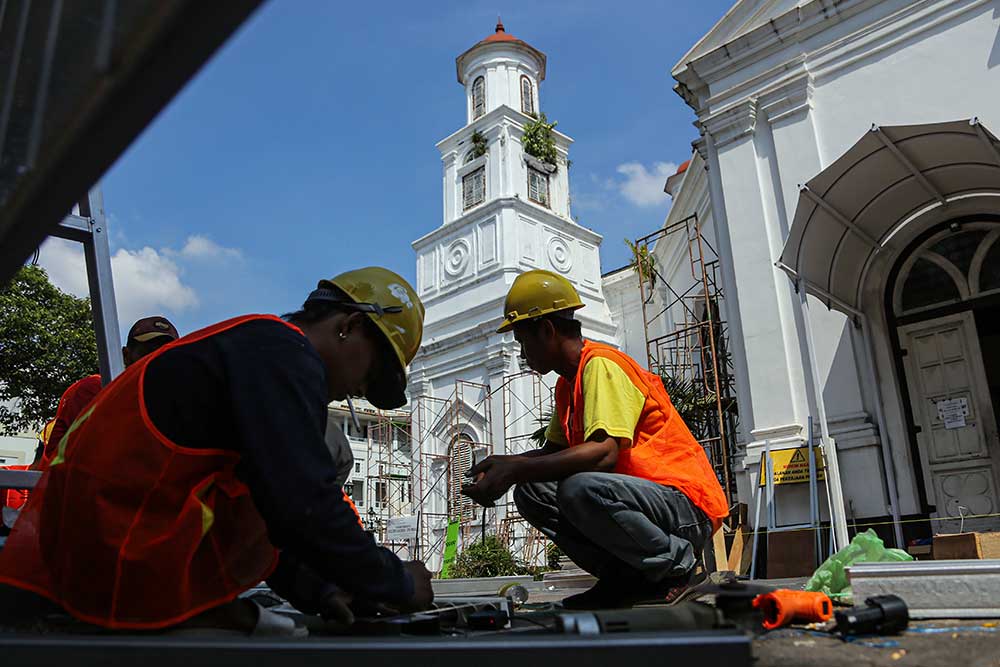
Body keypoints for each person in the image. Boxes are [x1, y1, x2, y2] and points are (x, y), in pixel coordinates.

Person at [0, 267, 433, 632]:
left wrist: (321, 589)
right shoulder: (282, 354)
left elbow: (262, 510)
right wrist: (395, 581)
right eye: (371, 374)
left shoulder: (256, 348)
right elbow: (303, 505)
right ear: (350, 325)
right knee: (274, 637)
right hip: (118, 560)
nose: (358, 390)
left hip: (99, 555)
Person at [462, 269, 729, 609]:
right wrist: (506, 467)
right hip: (645, 507)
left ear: (546, 330)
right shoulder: (567, 385)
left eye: (523, 341)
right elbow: (553, 455)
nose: (522, 354)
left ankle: (680, 569)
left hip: (684, 508)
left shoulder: (601, 366)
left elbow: (604, 454)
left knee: (581, 487)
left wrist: (514, 469)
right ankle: (624, 578)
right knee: (532, 490)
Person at [42, 316, 179, 466]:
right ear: (126, 355)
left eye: (167, 354)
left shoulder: (168, 402)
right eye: (149, 353)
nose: (158, 361)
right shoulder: (96, 389)